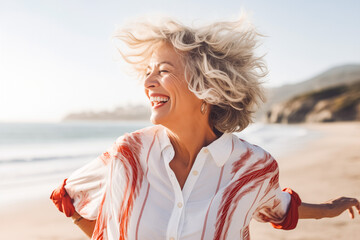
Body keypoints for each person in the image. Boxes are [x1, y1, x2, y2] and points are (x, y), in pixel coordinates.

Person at [50, 16, 360, 240]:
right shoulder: (127, 155)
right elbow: (68, 197)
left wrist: (330, 209)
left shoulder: (252, 169)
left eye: (163, 71)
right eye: (147, 73)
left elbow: (280, 207)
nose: (147, 83)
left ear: (206, 86)